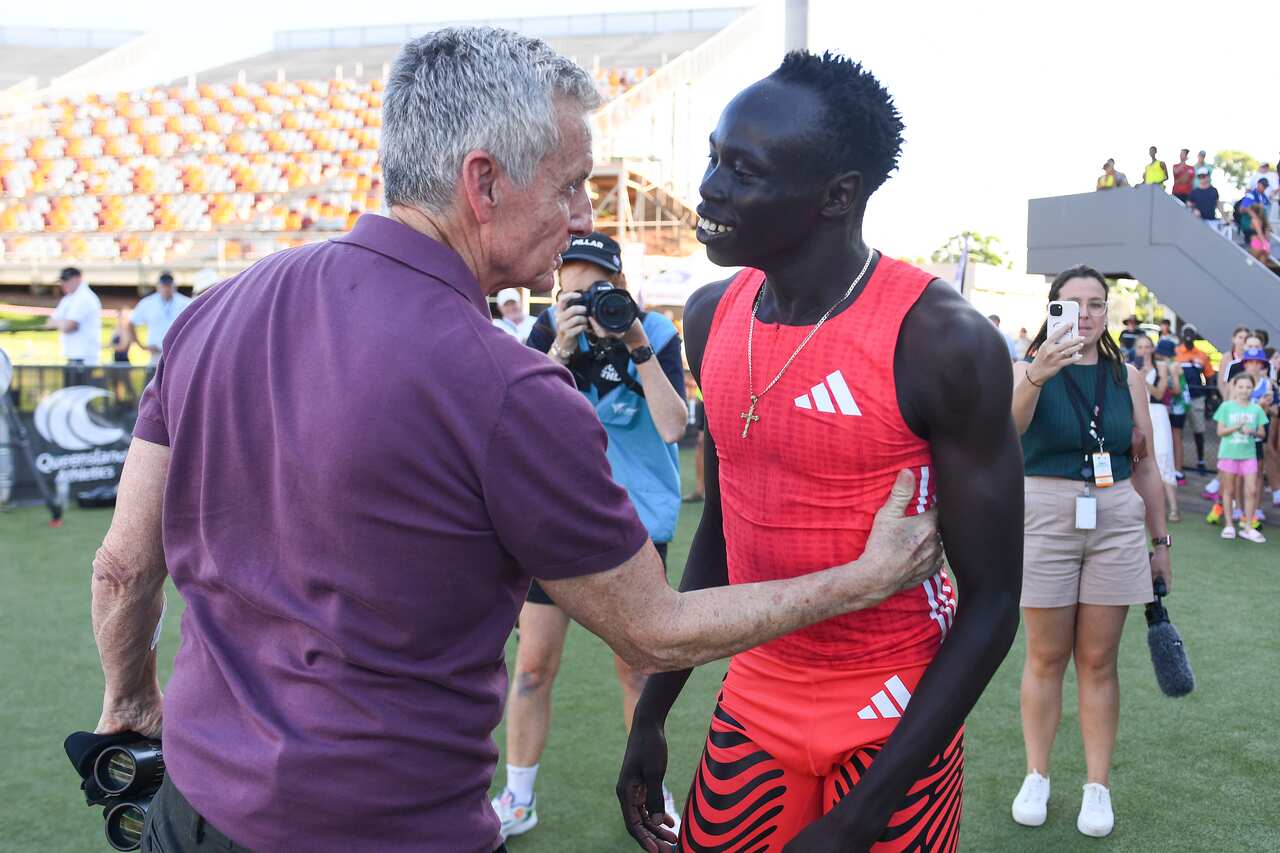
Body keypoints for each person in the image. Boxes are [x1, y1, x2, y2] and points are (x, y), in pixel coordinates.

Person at [89, 29, 945, 853]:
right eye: (571, 185)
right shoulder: (509, 388)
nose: (583, 215)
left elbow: (123, 565)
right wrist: (867, 578)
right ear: (483, 182)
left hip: (190, 808)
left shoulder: (213, 312)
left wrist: (129, 697)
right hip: (388, 828)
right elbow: (653, 630)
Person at [616, 51, 1023, 853]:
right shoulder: (710, 317)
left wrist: (861, 816)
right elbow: (725, 536)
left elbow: (992, 603)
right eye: (713, 156)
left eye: (743, 170)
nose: (707, 187)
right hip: (758, 689)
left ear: (837, 195)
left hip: (896, 703)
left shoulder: (941, 340)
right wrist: (652, 714)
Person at [491, 231, 689, 840]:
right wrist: (560, 349)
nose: (588, 296)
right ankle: (518, 797)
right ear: (557, 288)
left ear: (621, 286)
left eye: (601, 286)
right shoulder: (548, 331)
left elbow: (674, 425)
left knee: (637, 674)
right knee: (530, 668)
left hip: (634, 526)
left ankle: (652, 794)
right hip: (553, 523)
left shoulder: (651, 331)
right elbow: (517, 425)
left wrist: (634, 346)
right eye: (574, 287)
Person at [1010, 265, 1172, 838]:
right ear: (1052, 307)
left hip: (1116, 516)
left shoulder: (1128, 377)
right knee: (1046, 657)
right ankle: (1037, 773)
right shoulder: (1024, 370)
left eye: (1096, 303)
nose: (1085, 312)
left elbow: (1145, 463)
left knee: (1100, 661)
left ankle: (1096, 786)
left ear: (1108, 312)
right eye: (1072, 302)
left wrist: (1161, 542)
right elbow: (1006, 432)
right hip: (1043, 516)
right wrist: (1036, 375)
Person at [1214, 373, 1268, 543]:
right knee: (1228, 491)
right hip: (1229, 454)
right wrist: (1236, 427)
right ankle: (1229, 525)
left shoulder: (1257, 409)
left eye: (1248, 387)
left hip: (1249, 455)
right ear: (1234, 388)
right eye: (1241, 387)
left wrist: (1251, 431)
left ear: (1253, 389)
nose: (1244, 390)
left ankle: (1248, 527)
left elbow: (1262, 433)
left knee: (1251, 490)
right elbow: (1220, 432)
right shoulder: (1226, 407)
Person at [1134, 335, 1179, 521]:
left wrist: (1144, 380)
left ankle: (1174, 508)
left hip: (1157, 414)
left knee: (1163, 456)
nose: (1144, 350)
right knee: (1138, 458)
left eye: (1147, 347)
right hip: (1138, 413)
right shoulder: (1130, 367)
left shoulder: (1161, 367)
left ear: (1152, 349)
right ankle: (1141, 507)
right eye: (1140, 347)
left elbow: (1160, 393)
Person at [1174, 325, 1215, 475]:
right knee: (1177, 432)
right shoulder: (1176, 352)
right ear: (1182, 335)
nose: (1188, 335)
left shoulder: (1202, 355)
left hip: (1197, 397)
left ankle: (1201, 461)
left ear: (1196, 335)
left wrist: (1210, 399)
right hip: (1178, 399)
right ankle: (1178, 464)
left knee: (1199, 431)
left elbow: (1209, 377)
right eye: (1186, 332)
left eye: (1191, 332)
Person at [129, 271, 193, 364]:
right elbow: (132, 322)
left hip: (178, 352)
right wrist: (141, 346)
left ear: (174, 286)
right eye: (164, 286)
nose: (167, 289)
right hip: (156, 354)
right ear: (158, 286)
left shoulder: (184, 303)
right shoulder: (148, 303)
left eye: (169, 286)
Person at [44, 266, 102, 367]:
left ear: (78, 278)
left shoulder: (84, 297)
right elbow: (49, 323)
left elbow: (68, 326)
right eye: (62, 281)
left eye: (66, 280)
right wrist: (63, 323)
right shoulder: (68, 298)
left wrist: (60, 323)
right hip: (72, 356)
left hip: (85, 358)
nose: (63, 284)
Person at [1159, 338, 1191, 482]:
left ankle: (1178, 470)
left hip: (1178, 405)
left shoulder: (1173, 365)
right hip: (1172, 404)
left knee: (1176, 436)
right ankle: (1172, 468)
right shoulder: (1166, 364)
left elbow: (1177, 389)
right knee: (1170, 436)